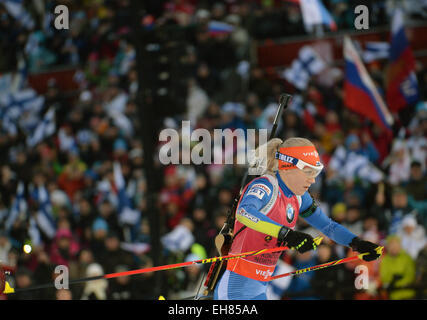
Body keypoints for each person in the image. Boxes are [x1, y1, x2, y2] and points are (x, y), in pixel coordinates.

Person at [214, 137, 383, 300]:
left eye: (315, 172)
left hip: (258, 288)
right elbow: (244, 213)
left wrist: (356, 243)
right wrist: (286, 234)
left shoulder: (300, 198)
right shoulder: (265, 186)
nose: (313, 179)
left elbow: (328, 226)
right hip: (234, 289)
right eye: (308, 172)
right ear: (288, 167)